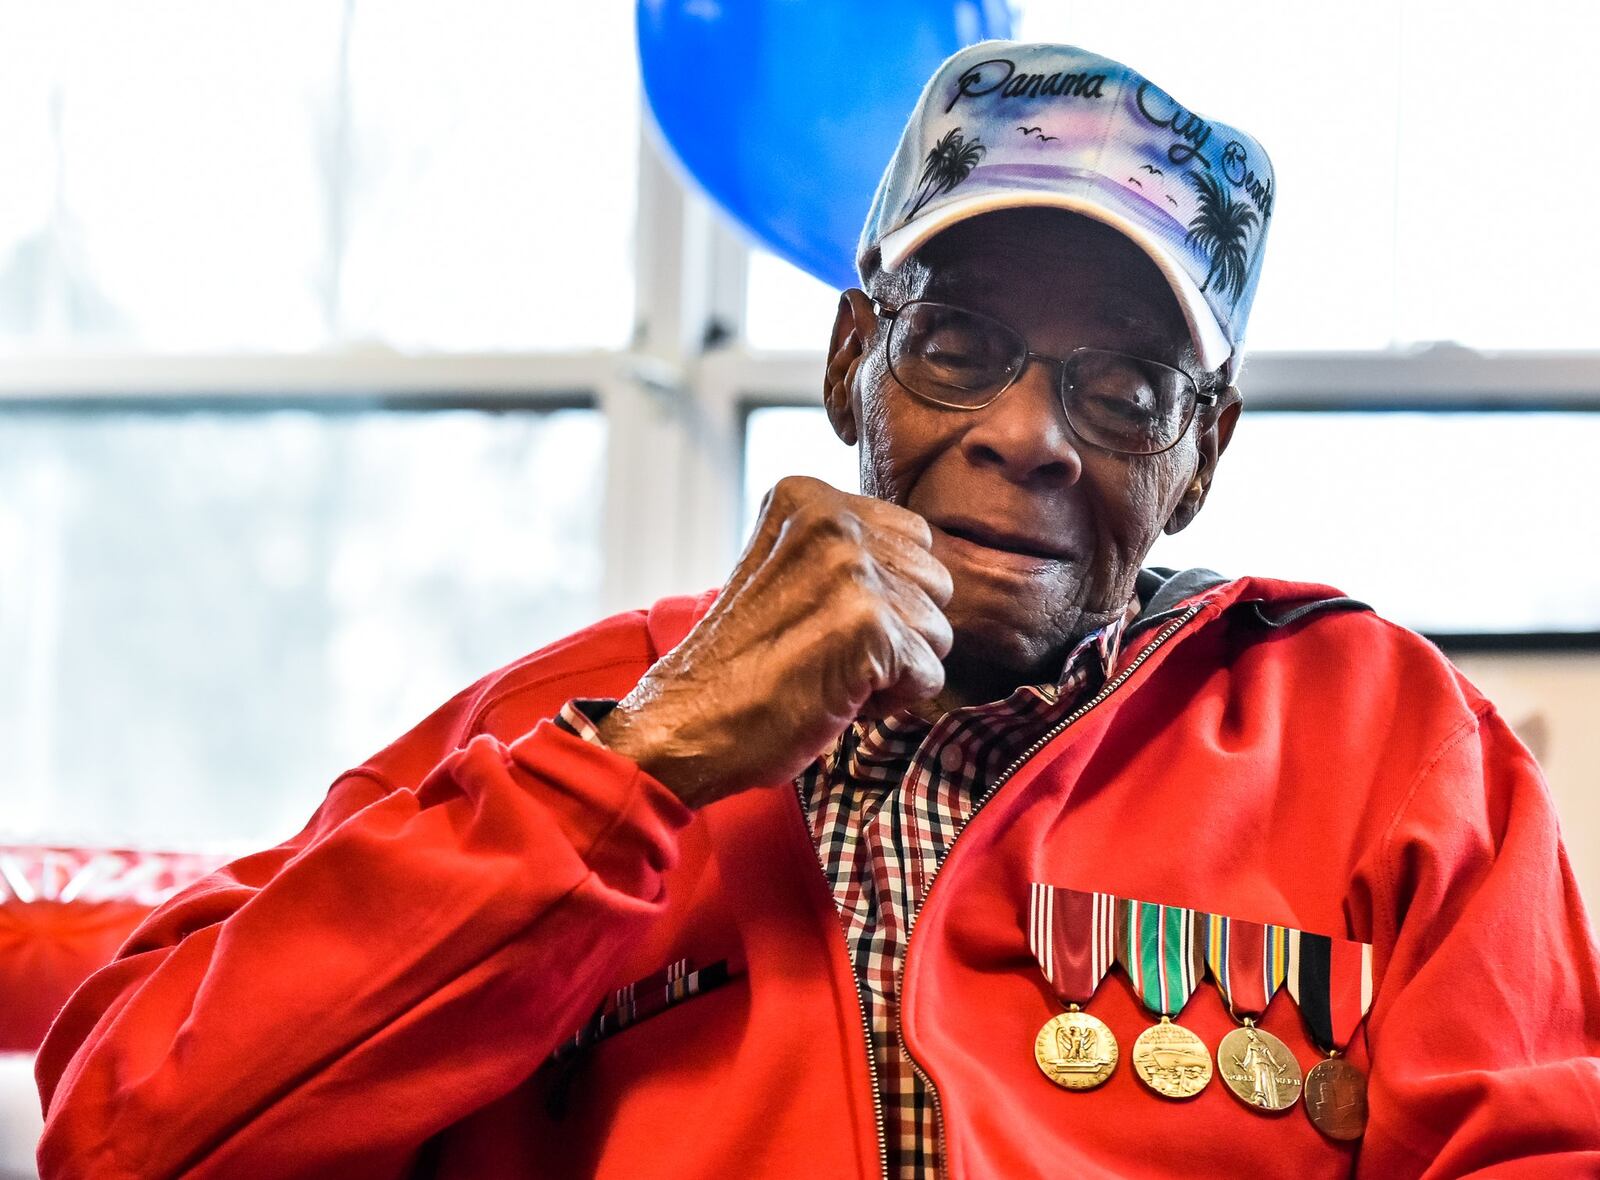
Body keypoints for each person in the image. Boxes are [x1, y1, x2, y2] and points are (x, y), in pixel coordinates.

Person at [34, 40, 1600, 1180]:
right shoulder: (587, 709)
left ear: (1199, 458)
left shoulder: (1384, 737)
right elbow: (132, 1127)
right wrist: (641, 768)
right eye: (960, 344)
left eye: (1123, 388)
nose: (1028, 432)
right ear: (853, 361)